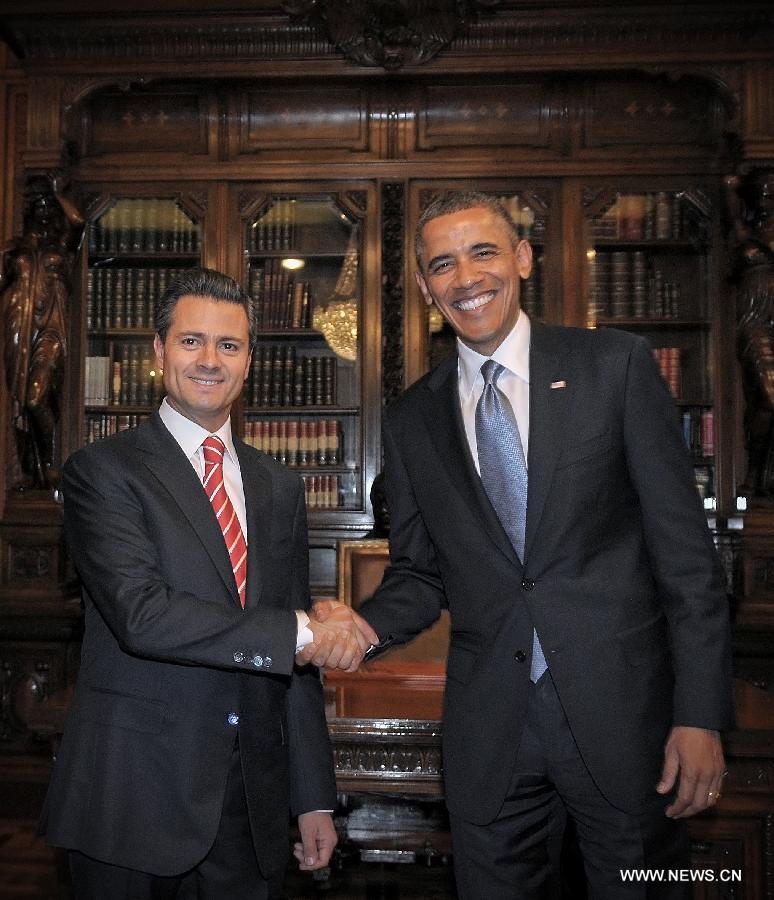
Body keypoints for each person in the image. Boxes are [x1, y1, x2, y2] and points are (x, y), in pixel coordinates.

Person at [316, 192, 734, 898]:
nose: (466, 277)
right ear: (424, 287)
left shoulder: (617, 367)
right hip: (492, 733)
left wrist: (699, 715)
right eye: (442, 264)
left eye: (483, 252)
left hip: (629, 723)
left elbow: (689, 564)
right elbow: (420, 573)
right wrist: (360, 625)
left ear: (522, 258)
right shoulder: (414, 418)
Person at [40, 268, 377, 899]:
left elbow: (292, 664)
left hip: (249, 807)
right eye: (192, 341)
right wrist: (305, 630)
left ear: (249, 360)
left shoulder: (278, 485)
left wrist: (312, 796)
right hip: (134, 798)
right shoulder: (102, 473)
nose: (210, 361)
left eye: (229, 345)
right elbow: (142, 615)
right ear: (159, 352)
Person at [1, 172, 85, 488]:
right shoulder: (16, 249)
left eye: (50, 207)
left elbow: (78, 222)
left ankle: (49, 459)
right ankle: (29, 470)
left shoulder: (62, 246)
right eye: (40, 207)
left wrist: (57, 191)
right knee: (20, 400)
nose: (46, 212)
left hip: (51, 326)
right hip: (18, 326)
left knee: (37, 397)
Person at [726, 168, 774, 497]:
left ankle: (759, 476)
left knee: (762, 405)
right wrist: (732, 184)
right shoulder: (746, 233)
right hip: (754, 322)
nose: (768, 196)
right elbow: (728, 188)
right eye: (763, 192)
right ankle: (756, 469)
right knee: (769, 394)